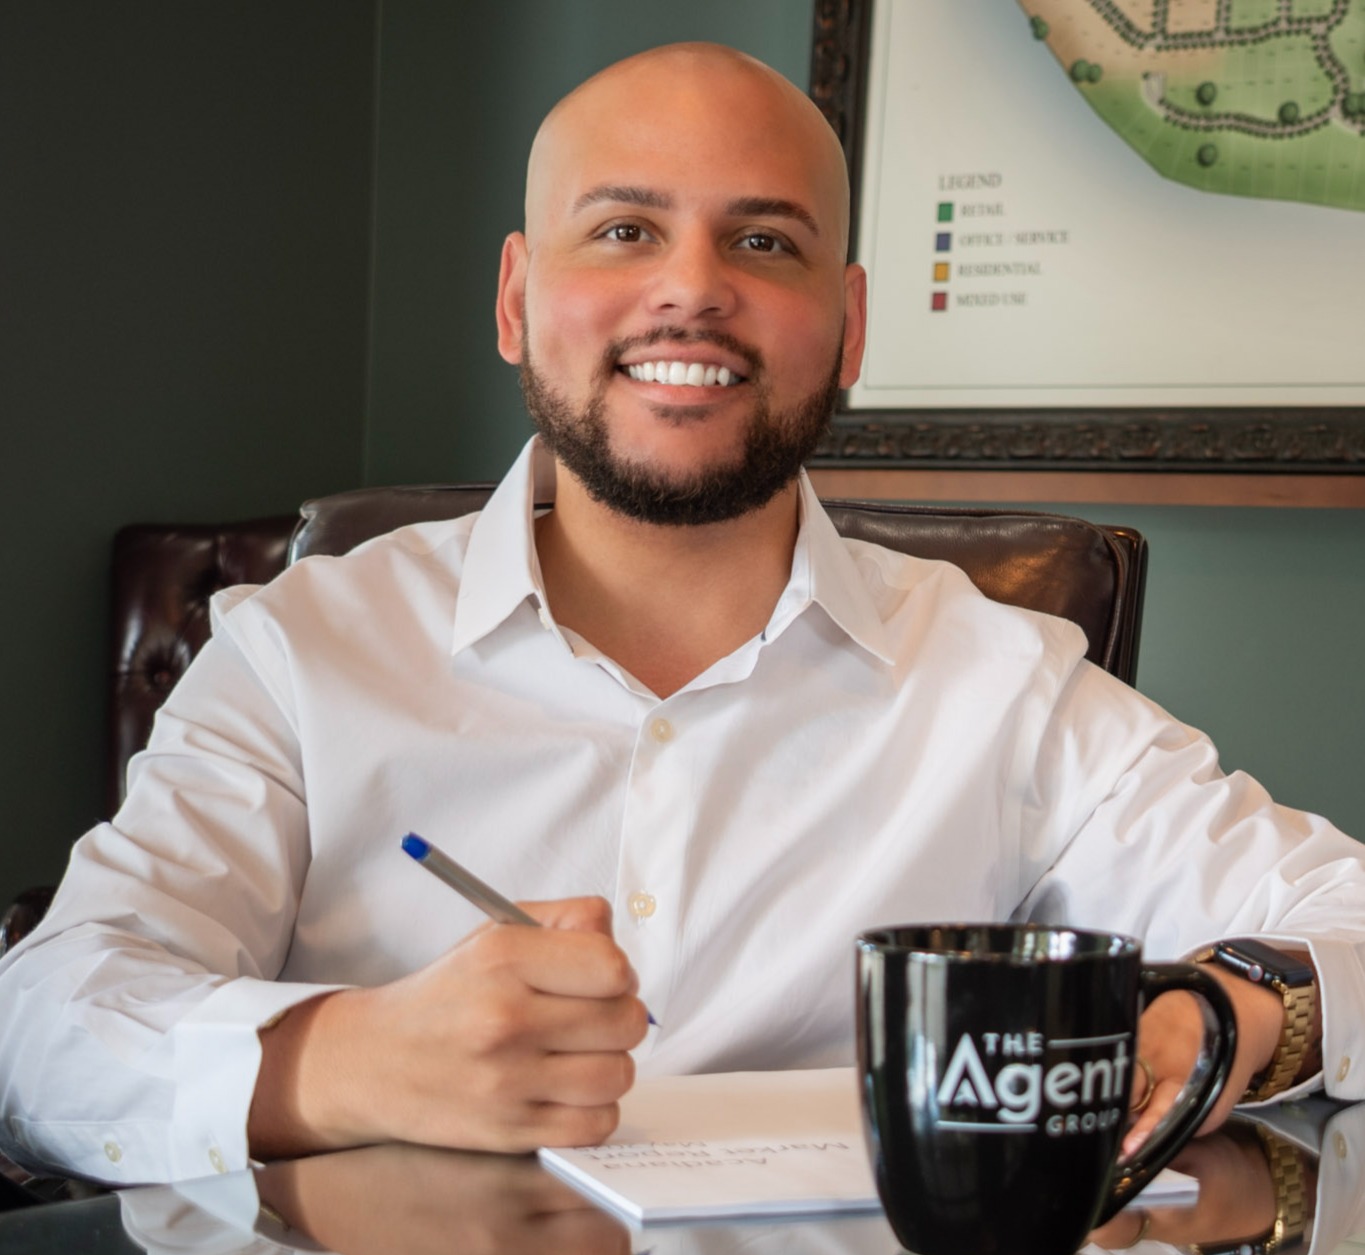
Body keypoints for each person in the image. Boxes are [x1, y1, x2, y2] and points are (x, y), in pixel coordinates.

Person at [1, 44, 1363, 1186]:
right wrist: (351, 1053)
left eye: (762, 240)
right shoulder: (301, 650)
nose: (692, 286)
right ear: (517, 300)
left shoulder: (999, 682)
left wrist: (1224, 1007)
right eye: (625, 229)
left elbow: (1344, 919)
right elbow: (46, 1023)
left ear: (846, 326)